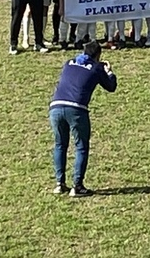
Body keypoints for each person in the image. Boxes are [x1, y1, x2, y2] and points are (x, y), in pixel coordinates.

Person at [49, 41, 117, 197]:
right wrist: (110, 72)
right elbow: (111, 87)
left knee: (60, 144)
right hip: (77, 109)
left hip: (55, 107)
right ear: (98, 55)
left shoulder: (69, 63)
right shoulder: (97, 67)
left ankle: (60, 184)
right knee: (81, 147)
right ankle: (77, 186)